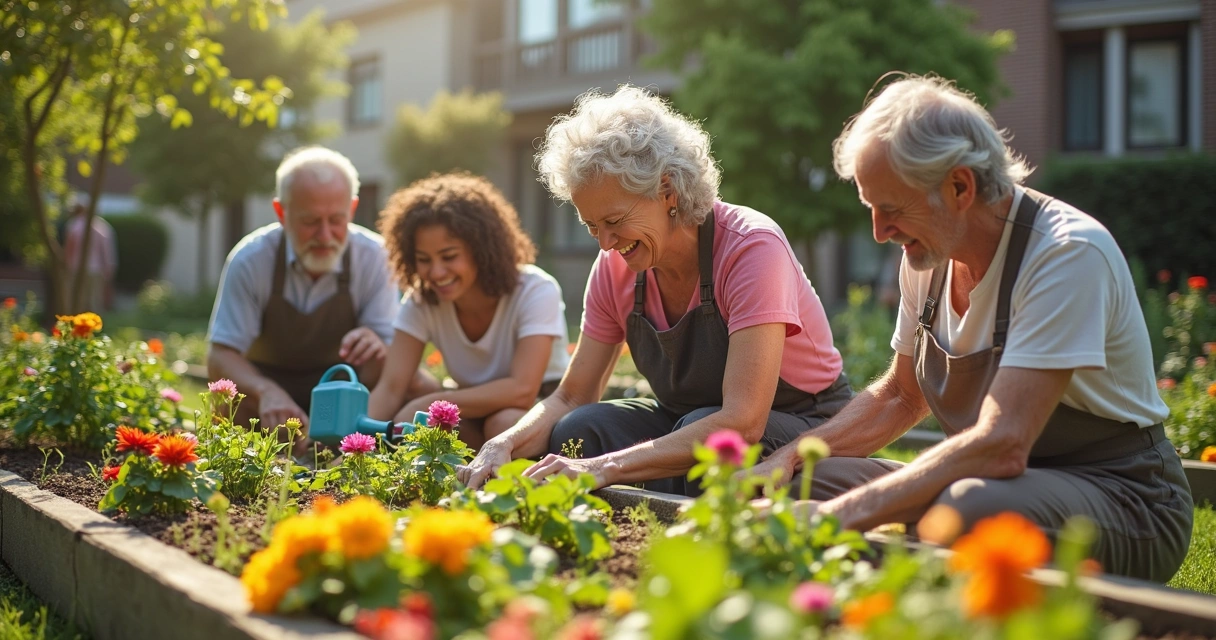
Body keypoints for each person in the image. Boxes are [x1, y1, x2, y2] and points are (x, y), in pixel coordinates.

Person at [752, 76, 1192, 582]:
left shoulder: (1066, 254)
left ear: (960, 186)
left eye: (891, 209)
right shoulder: (926, 258)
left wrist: (838, 517)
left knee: (967, 508)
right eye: (870, 209)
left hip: (1126, 499)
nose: (879, 232)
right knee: (812, 480)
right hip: (997, 479)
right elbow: (899, 396)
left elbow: (1003, 442)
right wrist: (785, 461)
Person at [459, 85, 852, 494]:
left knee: (705, 437)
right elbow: (573, 396)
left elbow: (743, 421)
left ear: (667, 190)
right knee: (579, 428)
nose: (606, 243)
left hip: (805, 421)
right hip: (687, 417)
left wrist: (605, 467)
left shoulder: (751, 248)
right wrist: (500, 444)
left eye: (614, 221)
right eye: (591, 226)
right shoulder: (615, 267)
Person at [207, 146, 402, 441]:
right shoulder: (250, 259)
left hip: (344, 393)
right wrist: (265, 391)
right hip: (266, 398)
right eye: (310, 222)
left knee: (413, 380)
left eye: (336, 220)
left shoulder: (375, 257)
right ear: (281, 212)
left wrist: (377, 343)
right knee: (225, 397)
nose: (324, 236)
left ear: (351, 209)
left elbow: (393, 364)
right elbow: (221, 355)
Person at [368, 172, 571, 450]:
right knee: (423, 424)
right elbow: (391, 386)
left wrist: (427, 403)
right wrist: (356, 447)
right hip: (472, 411)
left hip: (540, 407)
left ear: (481, 249)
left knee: (502, 424)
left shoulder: (535, 290)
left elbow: (522, 390)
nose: (436, 272)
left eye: (449, 256)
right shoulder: (422, 301)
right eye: (424, 260)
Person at [62, 195, 118, 313]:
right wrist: (109, 273)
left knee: (77, 301)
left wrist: (67, 267)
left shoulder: (74, 225)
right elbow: (108, 253)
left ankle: (77, 327)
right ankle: (94, 328)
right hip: (96, 270)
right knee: (94, 302)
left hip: (76, 269)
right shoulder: (102, 226)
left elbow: (70, 249)